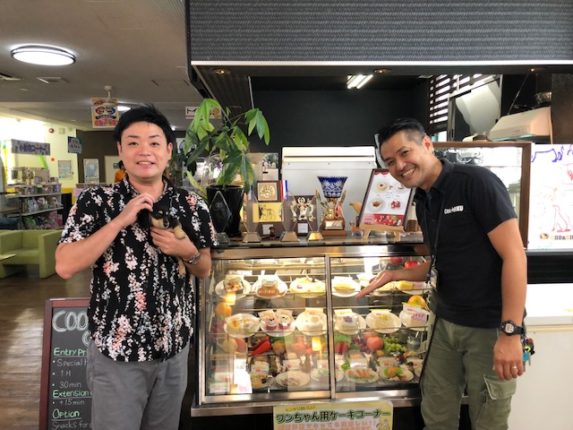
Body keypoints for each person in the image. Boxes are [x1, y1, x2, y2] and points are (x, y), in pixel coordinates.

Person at [357, 118, 527, 430]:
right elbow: (443, 261)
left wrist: (510, 332)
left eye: (404, 153)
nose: (399, 166)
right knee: (436, 412)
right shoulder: (424, 199)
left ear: (427, 144)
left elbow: (514, 255)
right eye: (390, 162)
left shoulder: (476, 182)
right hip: (444, 321)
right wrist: (394, 274)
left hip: (487, 326)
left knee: (488, 419)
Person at [55, 105, 217, 430]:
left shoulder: (191, 204)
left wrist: (186, 251)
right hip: (118, 354)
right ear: (120, 150)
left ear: (169, 150)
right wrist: (119, 221)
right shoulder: (96, 202)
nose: (145, 151)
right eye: (133, 142)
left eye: (154, 142)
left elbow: (205, 269)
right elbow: (65, 265)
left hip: (173, 352)